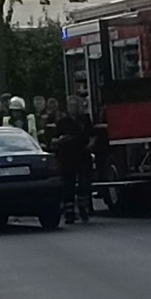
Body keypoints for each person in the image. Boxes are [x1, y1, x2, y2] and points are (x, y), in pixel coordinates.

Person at [53, 95, 94, 224]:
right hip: (67, 156)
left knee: (84, 183)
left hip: (82, 155)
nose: (73, 108)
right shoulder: (62, 122)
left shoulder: (85, 120)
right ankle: (69, 212)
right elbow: (53, 139)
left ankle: (83, 209)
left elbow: (92, 135)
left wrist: (90, 145)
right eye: (71, 106)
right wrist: (62, 140)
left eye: (75, 106)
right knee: (68, 185)